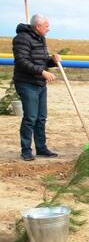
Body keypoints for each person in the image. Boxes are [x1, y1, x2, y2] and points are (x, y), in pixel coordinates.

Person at [12, 14, 61, 161]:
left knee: (41, 117)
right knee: (30, 117)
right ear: (38, 26)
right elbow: (22, 61)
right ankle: (26, 150)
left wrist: (52, 61)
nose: (48, 29)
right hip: (26, 83)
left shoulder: (41, 38)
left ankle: (41, 148)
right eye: (46, 26)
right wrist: (42, 72)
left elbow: (42, 61)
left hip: (39, 83)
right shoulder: (21, 39)